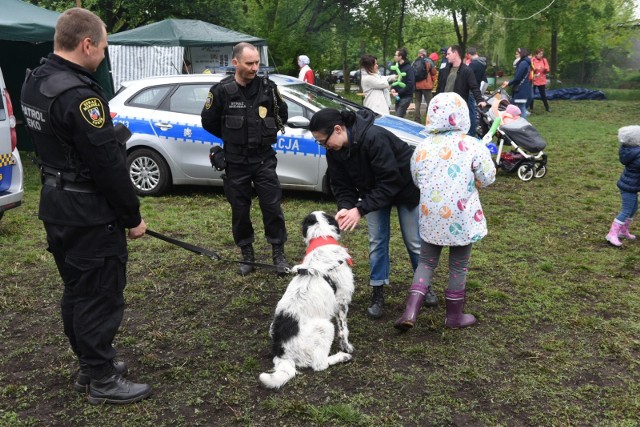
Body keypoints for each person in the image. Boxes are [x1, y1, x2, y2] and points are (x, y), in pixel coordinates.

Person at [19, 8, 151, 404]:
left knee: (78, 289)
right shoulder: (80, 95)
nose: (104, 55)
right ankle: (102, 380)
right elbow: (107, 164)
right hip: (88, 210)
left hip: (56, 203)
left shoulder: (36, 80)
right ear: (87, 43)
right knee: (100, 292)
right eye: (104, 47)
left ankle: (91, 366)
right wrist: (132, 215)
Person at [308, 108, 438, 318]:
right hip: (374, 193)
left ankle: (424, 285)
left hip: (405, 189)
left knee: (414, 241)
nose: (323, 146)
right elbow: (341, 184)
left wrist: (360, 209)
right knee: (377, 241)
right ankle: (378, 291)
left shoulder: (374, 137)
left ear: (338, 129)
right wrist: (345, 205)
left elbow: (390, 181)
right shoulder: (334, 151)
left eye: (323, 141)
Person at [394, 92, 496, 331]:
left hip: (431, 214)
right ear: (462, 115)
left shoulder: (422, 147)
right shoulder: (472, 145)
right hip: (462, 214)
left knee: (427, 261)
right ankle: (454, 316)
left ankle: (410, 310)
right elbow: (488, 177)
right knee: (458, 265)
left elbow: (417, 179)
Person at [201, 42, 289, 276]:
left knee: (272, 207)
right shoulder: (221, 90)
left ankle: (278, 254)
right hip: (236, 161)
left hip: (263, 159)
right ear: (235, 63)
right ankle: (247, 255)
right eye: (249, 63)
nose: (254, 68)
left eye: (257, 62)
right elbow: (208, 120)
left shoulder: (268, 88)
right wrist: (233, 136)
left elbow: (283, 113)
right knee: (240, 210)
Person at [436, 45, 487, 128]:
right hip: (444, 107)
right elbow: (439, 88)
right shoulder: (444, 70)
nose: (446, 56)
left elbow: (474, 87)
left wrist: (480, 100)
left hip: (457, 108)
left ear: (455, 53)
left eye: (448, 54)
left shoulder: (467, 70)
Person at [605, 125, 640, 247]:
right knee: (626, 210)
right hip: (629, 187)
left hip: (631, 185)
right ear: (636, 140)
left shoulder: (629, 149)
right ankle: (612, 234)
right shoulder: (637, 153)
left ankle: (623, 231)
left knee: (633, 209)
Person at [501, 48, 532, 119]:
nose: (516, 55)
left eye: (517, 54)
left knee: (519, 107)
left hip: (520, 90)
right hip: (523, 90)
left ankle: (521, 123)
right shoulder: (525, 63)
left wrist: (508, 83)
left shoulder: (523, 64)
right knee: (521, 107)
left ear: (522, 54)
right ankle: (519, 122)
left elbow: (517, 77)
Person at [412, 49, 437, 124]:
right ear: (425, 54)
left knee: (417, 102)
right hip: (427, 85)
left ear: (419, 54)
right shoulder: (429, 61)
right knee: (430, 102)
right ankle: (431, 119)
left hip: (417, 85)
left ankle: (417, 119)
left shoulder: (414, 61)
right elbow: (434, 72)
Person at [467, 47, 487, 137]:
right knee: (475, 110)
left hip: (471, 89)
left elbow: (467, 76)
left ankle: (472, 132)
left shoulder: (473, 64)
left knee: (472, 112)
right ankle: (477, 129)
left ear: (469, 55)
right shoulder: (482, 63)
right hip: (478, 88)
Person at [389, 47, 415, 118]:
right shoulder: (396, 67)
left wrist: (399, 92)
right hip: (398, 96)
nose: (394, 56)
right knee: (399, 117)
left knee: (398, 116)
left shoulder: (409, 68)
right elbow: (394, 80)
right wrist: (393, 88)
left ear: (400, 57)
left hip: (406, 96)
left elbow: (410, 84)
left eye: (396, 55)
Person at [531, 48, 551, 112]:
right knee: (531, 94)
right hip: (533, 80)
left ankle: (547, 108)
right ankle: (531, 107)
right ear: (536, 54)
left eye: (542, 54)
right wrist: (536, 68)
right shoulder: (532, 60)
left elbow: (547, 68)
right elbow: (530, 68)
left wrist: (545, 69)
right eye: (540, 54)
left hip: (541, 80)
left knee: (543, 95)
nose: (541, 55)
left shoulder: (544, 60)